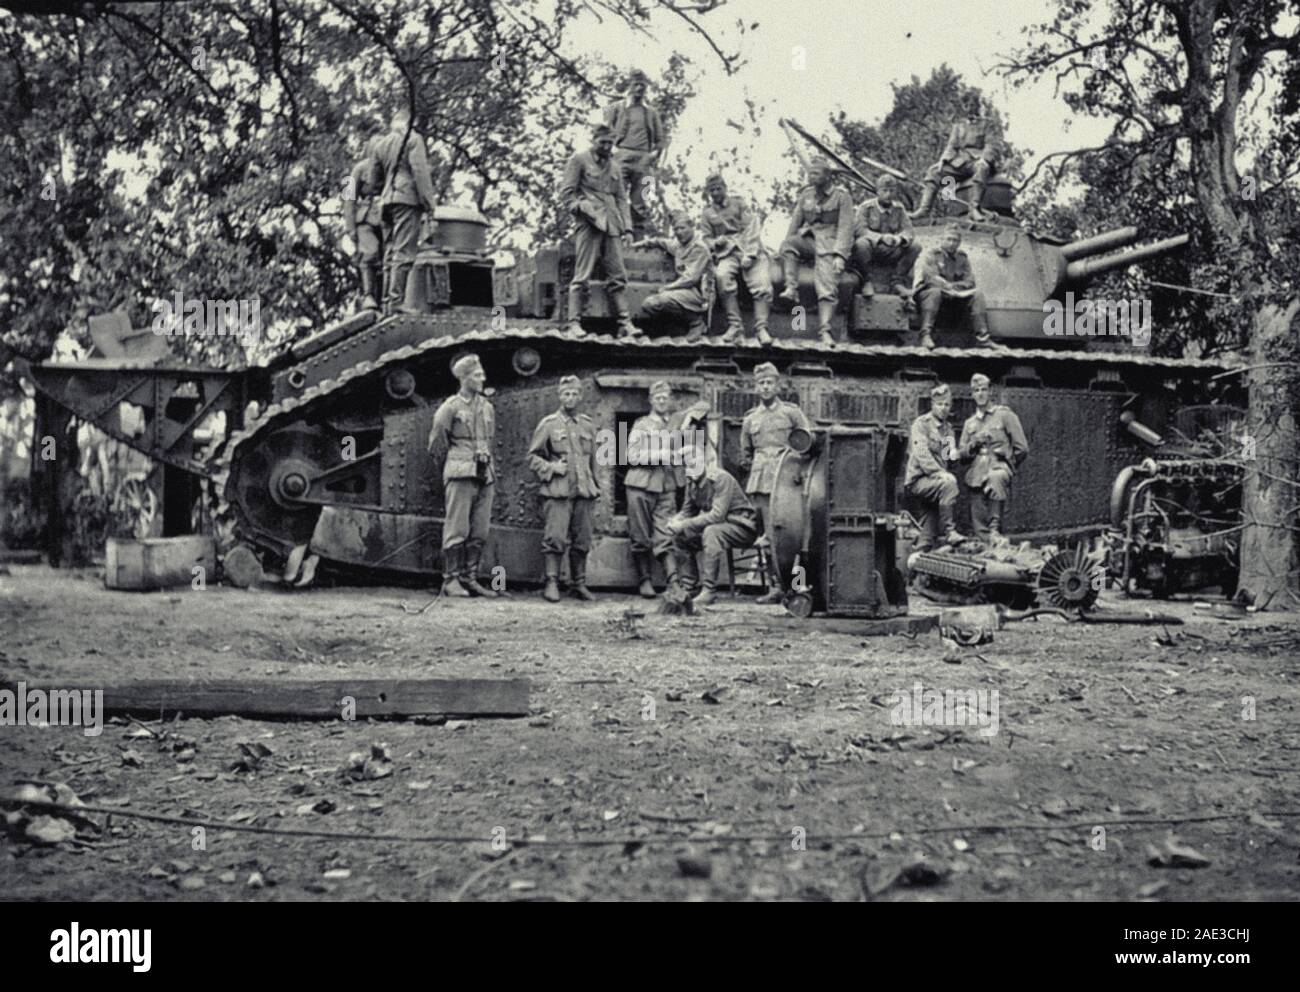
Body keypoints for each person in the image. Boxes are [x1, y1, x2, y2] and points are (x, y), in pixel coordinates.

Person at [559, 122, 640, 338]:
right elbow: (567, 194)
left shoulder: (615, 166)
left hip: (612, 225)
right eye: (602, 142)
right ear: (593, 140)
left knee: (618, 275)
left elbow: (622, 198)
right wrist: (582, 207)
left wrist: (628, 228)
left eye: (610, 143)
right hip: (589, 224)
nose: (606, 146)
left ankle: (625, 323)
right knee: (582, 274)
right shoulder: (578, 160)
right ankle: (574, 323)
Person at [740, 362, 811, 603]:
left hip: (787, 483)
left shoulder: (791, 412)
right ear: (756, 387)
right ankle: (776, 587)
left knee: (792, 536)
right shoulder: (750, 419)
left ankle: (797, 585)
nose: (765, 387)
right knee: (767, 537)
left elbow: (806, 442)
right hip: (760, 484)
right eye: (761, 383)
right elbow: (746, 453)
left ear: (777, 385)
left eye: (769, 382)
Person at [427, 353, 496, 597]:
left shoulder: (487, 407)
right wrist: (456, 463)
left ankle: (470, 578)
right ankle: (451, 580)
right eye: (477, 375)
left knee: (479, 529)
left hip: (484, 474)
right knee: (457, 528)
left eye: (482, 374)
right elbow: (437, 443)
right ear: (464, 378)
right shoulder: (450, 408)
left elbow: (489, 439)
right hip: (460, 473)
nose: (483, 378)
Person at [527, 375, 601, 602]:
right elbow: (532, 458)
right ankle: (551, 582)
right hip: (558, 491)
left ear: (580, 396)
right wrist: (552, 467)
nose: (570, 398)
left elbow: (594, 460)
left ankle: (579, 583)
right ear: (559, 396)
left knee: (582, 539)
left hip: (583, 490)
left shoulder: (588, 424)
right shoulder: (549, 424)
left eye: (574, 394)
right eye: (566, 394)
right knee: (555, 538)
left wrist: (595, 486)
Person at [668, 444, 760, 608]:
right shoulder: (692, 482)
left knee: (711, 532)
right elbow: (687, 511)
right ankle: (690, 587)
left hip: (741, 526)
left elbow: (717, 515)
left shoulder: (720, 478)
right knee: (680, 537)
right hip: (722, 527)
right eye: (685, 466)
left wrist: (683, 524)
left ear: (702, 461)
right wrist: (675, 522)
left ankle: (709, 590)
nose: (688, 469)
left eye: (692, 463)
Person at [369, 107, 440, 314]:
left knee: (389, 253)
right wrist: (429, 203)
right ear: (409, 123)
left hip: (385, 201)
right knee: (404, 252)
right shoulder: (413, 138)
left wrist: (386, 189)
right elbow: (420, 171)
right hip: (406, 200)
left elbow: (374, 181)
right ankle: (397, 303)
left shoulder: (379, 145)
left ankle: (386, 303)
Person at [777, 157, 853, 344]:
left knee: (827, 285)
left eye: (816, 173)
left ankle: (825, 330)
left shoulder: (842, 197)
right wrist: (784, 246)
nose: (811, 177)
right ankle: (791, 288)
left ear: (828, 177)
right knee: (789, 244)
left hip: (830, 244)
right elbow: (795, 223)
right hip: (810, 240)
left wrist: (840, 255)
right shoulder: (806, 195)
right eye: (810, 173)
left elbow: (846, 228)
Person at [624, 381, 683, 598]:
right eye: (657, 397)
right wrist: (659, 456)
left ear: (670, 400)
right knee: (640, 535)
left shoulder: (676, 426)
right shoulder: (642, 425)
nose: (661, 401)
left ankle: (673, 582)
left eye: (665, 397)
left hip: (667, 486)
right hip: (640, 486)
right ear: (651, 400)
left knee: (665, 534)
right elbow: (631, 456)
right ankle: (645, 581)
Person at [701, 172, 772, 345]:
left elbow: (752, 228)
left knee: (762, 284)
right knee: (721, 277)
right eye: (712, 190)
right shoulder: (707, 213)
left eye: (718, 188)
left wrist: (750, 254)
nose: (716, 193)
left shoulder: (738, 203)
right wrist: (715, 242)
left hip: (749, 249)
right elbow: (705, 239)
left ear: (725, 188)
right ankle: (735, 326)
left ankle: (761, 328)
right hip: (727, 253)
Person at [958, 373, 1029, 543]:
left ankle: (995, 531)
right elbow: (960, 455)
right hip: (976, 474)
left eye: (984, 389)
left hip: (999, 468)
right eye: (976, 390)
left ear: (991, 392)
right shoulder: (970, 423)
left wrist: (1007, 463)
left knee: (996, 477)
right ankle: (988, 550)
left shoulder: (1004, 415)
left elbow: (1022, 448)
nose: (980, 394)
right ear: (972, 394)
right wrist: (973, 444)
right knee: (979, 528)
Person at [912, 93, 1000, 221]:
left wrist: (984, 159)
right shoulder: (958, 126)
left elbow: (991, 144)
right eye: (967, 105)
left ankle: (974, 209)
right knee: (934, 171)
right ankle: (924, 210)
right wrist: (942, 161)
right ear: (964, 107)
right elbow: (952, 146)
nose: (970, 108)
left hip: (977, 161)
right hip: (960, 162)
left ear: (978, 107)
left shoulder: (987, 124)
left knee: (982, 167)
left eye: (973, 105)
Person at [904, 384, 967, 549]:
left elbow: (948, 458)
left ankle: (919, 561)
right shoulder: (921, 424)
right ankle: (950, 532)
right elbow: (921, 454)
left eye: (947, 405)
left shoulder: (948, 430)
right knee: (950, 484)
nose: (943, 408)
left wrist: (961, 452)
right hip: (919, 480)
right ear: (933, 405)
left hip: (935, 483)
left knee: (928, 532)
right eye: (940, 404)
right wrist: (940, 473)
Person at [604, 70, 665, 237]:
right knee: (616, 195)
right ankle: (615, 233)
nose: (639, 88)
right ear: (629, 86)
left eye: (642, 86)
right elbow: (605, 132)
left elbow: (660, 140)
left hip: (644, 160)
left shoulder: (651, 112)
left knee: (643, 198)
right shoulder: (616, 108)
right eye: (636, 84)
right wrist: (614, 151)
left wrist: (653, 155)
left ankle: (639, 236)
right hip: (621, 157)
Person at [912, 223, 993, 348]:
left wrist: (952, 287)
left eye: (955, 240)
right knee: (935, 292)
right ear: (942, 240)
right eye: (948, 239)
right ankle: (925, 335)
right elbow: (931, 278)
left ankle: (983, 338)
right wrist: (948, 287)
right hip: (929, 294)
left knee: (977, 294)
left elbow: (970, 281)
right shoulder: (932, 255)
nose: (951, 243)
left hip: (953, 295)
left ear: (959, 242)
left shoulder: (962, 258)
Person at [638, 212, 712, 338]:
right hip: (685, 291)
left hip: (699, 293)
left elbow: (691, 279)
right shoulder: (678, 245)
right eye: (676, 229)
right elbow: (662, 242)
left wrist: (668, 288)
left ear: (691, 227)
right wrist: (644, 243)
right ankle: (676, 327)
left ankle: (697, 322)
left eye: (682, 228)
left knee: (662, 300)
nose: (678, 232)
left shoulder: (699, 248)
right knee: (649, 304)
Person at [851, 174, 917, 299]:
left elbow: (909, 231)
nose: (888, 194)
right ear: (877, 191)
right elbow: (860, 230)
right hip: (872, 250)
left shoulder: (899, 209)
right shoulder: (866, 207)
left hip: (892, 249)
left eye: (892, 191)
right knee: (861, 244)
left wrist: (900, 238)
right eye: (884, 191)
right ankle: (866, 281)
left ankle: (897, 282)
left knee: (915, 246)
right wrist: (881, 238)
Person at [344, 150, 384, 310]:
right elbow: (347, 199)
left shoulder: (390, 168)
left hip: (386, 218)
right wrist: (350, 227)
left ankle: (384, 298)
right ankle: (368, 295)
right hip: (364, 218)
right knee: (369, 254)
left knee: (388, 259)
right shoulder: (358, 169)